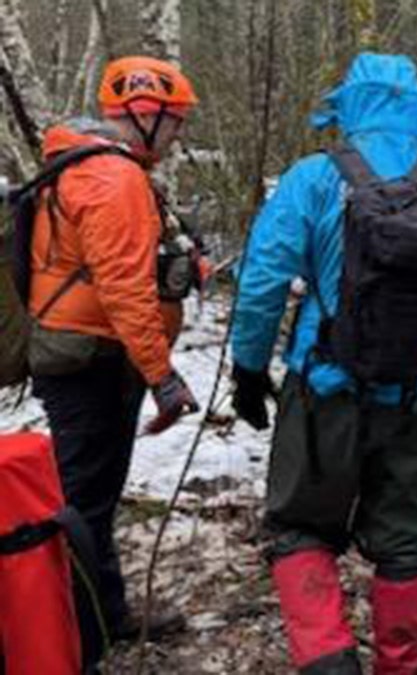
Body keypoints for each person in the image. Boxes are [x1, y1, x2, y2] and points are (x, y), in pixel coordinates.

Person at [230, 54, 417, 675]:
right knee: (405, 542)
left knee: (300, 529)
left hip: (324, 392)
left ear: (349, 106)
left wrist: (249, 371)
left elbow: (262, 283)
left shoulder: (312, 179)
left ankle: (330, 662)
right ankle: (399, 666)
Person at [28, 56, 201, 669]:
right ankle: (79, 639)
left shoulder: (87, 165)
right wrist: (164, 377)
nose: (179, 134)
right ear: (143, 114)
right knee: (82, 505)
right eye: (174, 122)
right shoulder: (112, 178)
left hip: (87, 353)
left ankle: (108, 613)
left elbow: (114, 267)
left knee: (92, 501)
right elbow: (123, 290)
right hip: (91, 361)